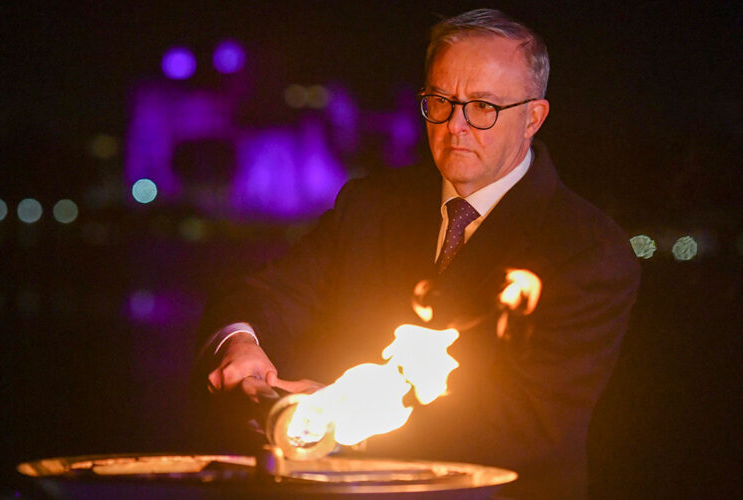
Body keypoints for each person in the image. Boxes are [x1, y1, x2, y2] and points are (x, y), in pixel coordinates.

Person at [195, 8, 639, 499]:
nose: (456, 126)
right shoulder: (370, 205)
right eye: (441, 101)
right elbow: (267, 293)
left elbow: (529, 426)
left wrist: (334, 415)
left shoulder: (587, 250)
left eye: (484, 107)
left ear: (533, 117)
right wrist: (238, 341)